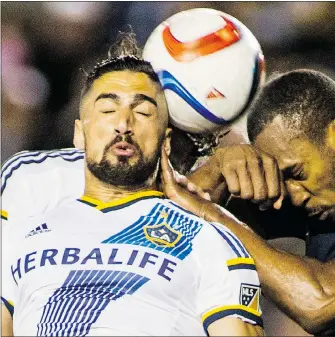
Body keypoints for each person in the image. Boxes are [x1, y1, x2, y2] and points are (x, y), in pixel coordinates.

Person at [1, 34, 264, 336]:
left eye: (142, 112)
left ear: (165, 142)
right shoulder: (22, 235)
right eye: (108, 110)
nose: (123, 124)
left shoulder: (208, 240)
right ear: (79, 135)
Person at [162, 69, 335, 336]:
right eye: (283, 179)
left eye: (297, 173)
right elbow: (168, 234)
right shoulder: (316, 201)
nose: (296, 195)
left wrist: (214, 215)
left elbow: (321, 302)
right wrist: (218, 169)